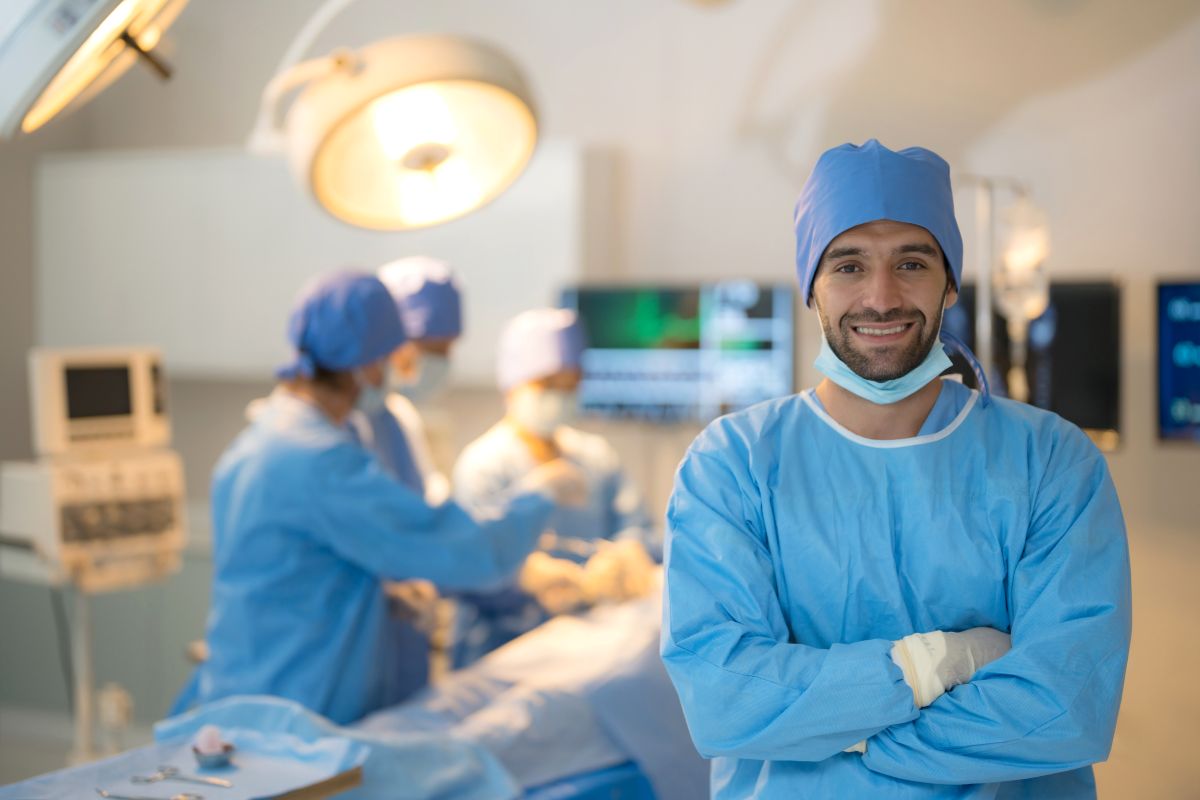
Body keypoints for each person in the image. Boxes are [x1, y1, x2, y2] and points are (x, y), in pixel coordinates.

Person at [660, 140, 1131, 798]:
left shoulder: (1050, 463)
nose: (881, 297)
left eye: (912, 261)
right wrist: (930, 666)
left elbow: (1062, 709)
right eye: (849, 265)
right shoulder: (732, 466)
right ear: (811, 285)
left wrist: (820, 729)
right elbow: (723, 701)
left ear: (949, 281)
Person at [173, 271, 585, 725]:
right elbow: (453, 545)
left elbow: (296, 571)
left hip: (253, 687)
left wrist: (377, 591)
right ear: (366, 364)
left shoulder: (265, 437)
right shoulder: (318, 460)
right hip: (288, 707)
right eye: (391, 357)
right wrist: (536, 497)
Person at [450, 308, 660, 665]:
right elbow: (470, 567)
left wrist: (627, 555)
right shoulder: (484, 466)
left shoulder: (595, 458)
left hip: (588, 649)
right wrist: (524, 581)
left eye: (570, 385)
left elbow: (637, 528)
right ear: (512, 383)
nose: (560, 397)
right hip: (501, 653)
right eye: (547, 385)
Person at [355, 255, 461, 504]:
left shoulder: (397, 418)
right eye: (429, 349)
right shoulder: (342, 421)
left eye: (445, 350)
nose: (438, 363)